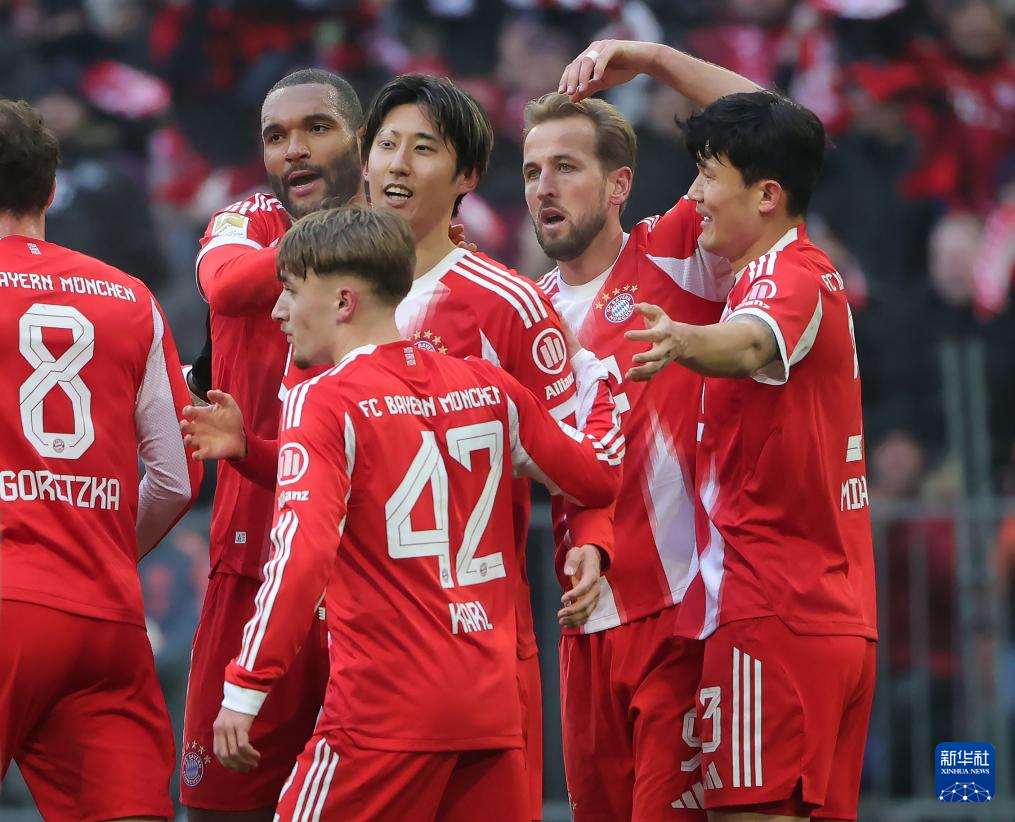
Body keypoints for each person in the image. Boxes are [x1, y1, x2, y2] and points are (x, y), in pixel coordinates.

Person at [186, 205, 622, 821]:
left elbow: (300, 555)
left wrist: (247, 682)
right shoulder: (489, 388)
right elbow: (597, 472)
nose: (279, 311)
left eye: (291, 291)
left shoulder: (323, 400)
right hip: (491, 709)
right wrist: (596, 377)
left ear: (343, 302)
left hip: (380, 714)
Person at [265, 73, 615, 820]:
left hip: (475, 642)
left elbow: (574, 452)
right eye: (387, 144)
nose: (397, 164)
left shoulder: (510, 304)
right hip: (342, 638)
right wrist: (246, 450)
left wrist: (591, 537)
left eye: (423, 149)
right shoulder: (317, 286)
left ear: (465, 178)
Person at [626, 91, 877, 821]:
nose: (697, 196)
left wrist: (682, 339)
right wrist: (653, 62)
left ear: (766, 195)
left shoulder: (782, 276)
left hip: (769, 613)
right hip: (825, 616)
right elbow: (776, 117)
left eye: (709, 177)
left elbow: (749, 345)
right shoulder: (800, 271)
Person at [522, 40, 757, 820]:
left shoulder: (675, 253)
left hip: (682, 613)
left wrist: (652, 60)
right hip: (582, 623)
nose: (543, 187)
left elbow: (771, 123)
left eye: (565, 167)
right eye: (531, 171)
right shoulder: (522, 315)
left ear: (619, 183)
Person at [0, 98, 201, 821]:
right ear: (51, 188)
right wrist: (102, 544)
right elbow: (175, 477)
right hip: (106, 615)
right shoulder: (132, 298)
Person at [181, 67, 364, 821]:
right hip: (252, 561)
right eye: (276, 136)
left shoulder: (409, 243)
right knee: (225, 804)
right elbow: (225, 289)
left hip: (366, 578)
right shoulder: (245, 219)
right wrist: (354, 239)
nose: (294, 149)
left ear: (361, 139)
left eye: (317, 128)